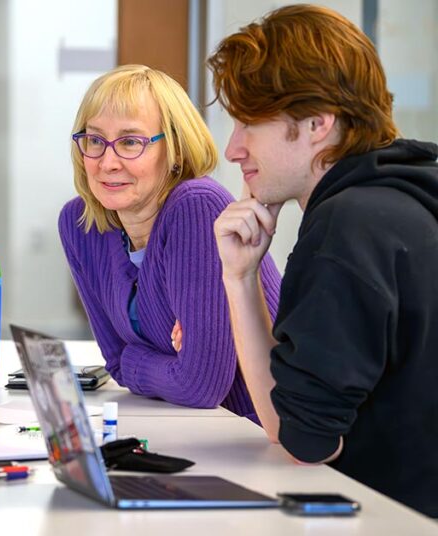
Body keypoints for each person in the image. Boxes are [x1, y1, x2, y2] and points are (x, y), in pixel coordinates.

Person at [208, 4, 438, 517]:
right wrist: (242, 276)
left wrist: (237, 279)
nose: (233, 148)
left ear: (317, 124)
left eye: (250, 123)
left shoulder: (347, 228)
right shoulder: (404, 204)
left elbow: (304, 441)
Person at [58, 64, 282, 420]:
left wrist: (137, 359)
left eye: (131, 142)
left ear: (175, 150)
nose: (108, 162)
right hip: (193, 433)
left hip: (267, 441)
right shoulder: (81, 225)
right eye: (95, 140)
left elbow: (201, 386)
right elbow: (114, 362)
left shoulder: (197, 206)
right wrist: (162, 363)